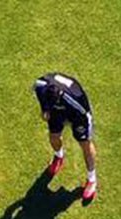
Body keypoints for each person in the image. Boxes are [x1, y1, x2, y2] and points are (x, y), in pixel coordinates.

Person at [32, 71, 97, 202]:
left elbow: (85, 115)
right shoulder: (40, 86)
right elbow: (41, 98)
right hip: (57, 113)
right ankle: (58, 156)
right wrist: (45, 110)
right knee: (53, 137)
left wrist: (81, 129)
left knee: (85, 143)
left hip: (78, 116)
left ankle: (92, 179)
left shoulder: (75, 102)